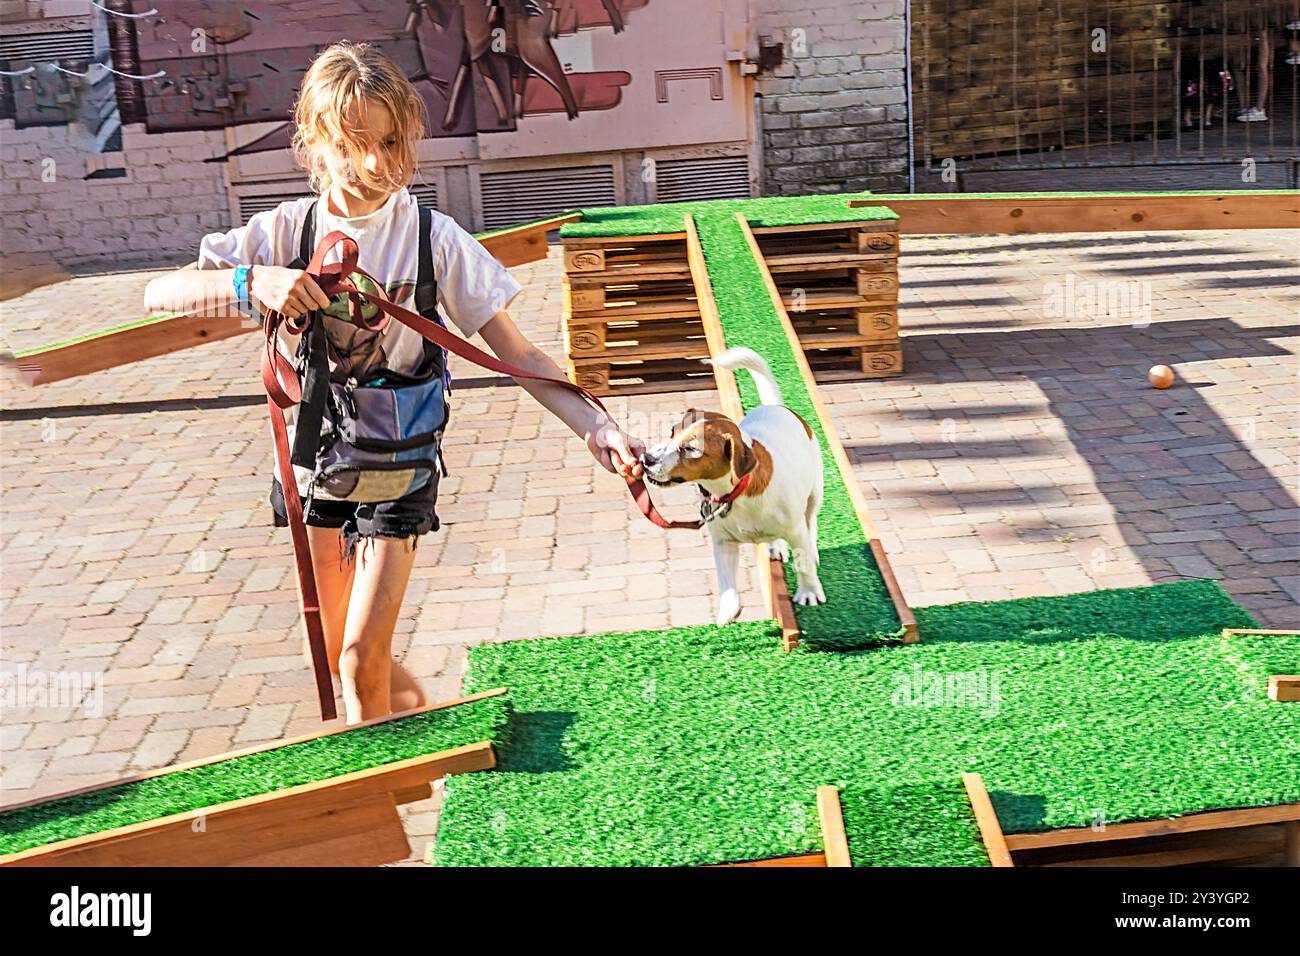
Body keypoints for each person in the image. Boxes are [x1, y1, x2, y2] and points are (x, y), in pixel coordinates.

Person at [144, 41, 645, 724]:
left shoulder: (434, 238)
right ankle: (422, 731)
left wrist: (599, 426)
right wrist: (249, 280)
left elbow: (518, 351)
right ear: (316, 142)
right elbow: (158, 293)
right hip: (310, 464)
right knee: (340, 654)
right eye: (355, 144)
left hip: (398, 465)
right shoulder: (287, 231)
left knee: (356, 659)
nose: (378, 163)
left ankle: (381, 799)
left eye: (391, 140)